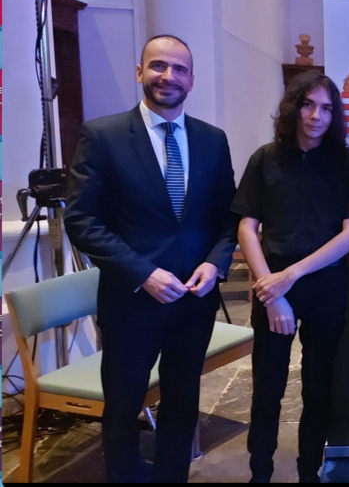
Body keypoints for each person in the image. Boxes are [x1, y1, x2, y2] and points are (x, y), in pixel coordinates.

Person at [65, 35, 238, 483]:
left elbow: (228, 218)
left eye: (179, 69)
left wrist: (215, 263)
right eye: (158, 66)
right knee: (123, 407)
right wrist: (144, 274)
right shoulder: (103, 136)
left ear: (192, 80)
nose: (169, 76)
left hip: (193, 301)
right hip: (132, 303)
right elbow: (82, 221)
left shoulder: (212, 140)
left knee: (182, 403)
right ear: (139, 72)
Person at [231, 70, 349, 483]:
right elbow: (246, 227)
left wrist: (289, 275)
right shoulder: (265, 158)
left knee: (318, 388)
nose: (316, 116)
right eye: (308, 105)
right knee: (267, 391)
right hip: (271, 287)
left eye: (326, 108)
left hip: (323, 285)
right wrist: (272, 291)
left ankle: (310, 472)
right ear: (294, 107)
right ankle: (260, 473)